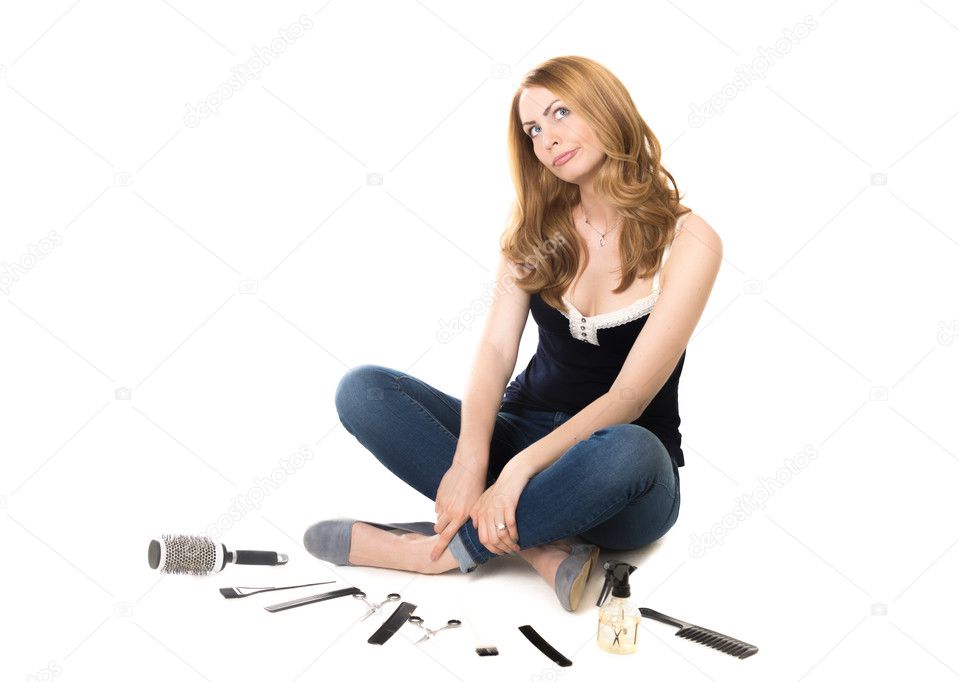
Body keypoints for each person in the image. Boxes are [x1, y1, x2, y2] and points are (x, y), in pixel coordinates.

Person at [304, 55, 723, 611]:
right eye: (533, 129)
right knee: (363, 389)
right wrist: (473, 457)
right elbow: (497, 350)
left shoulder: (688, 239)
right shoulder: (534, 227)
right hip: (520, 428)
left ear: (606, 106)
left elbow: (630, 396)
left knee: (633, 450)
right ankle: (542, 550)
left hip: (616, 474)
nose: (547, 138)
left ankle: (441, 554)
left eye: (560, 112)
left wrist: (518, 473)